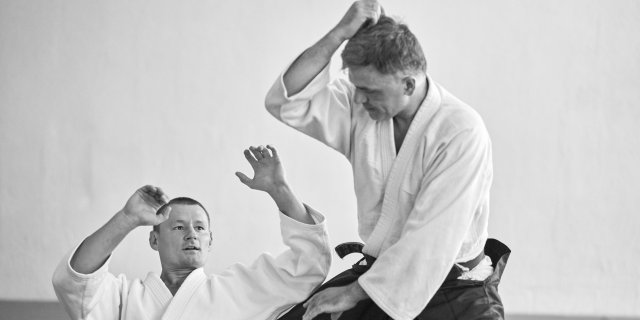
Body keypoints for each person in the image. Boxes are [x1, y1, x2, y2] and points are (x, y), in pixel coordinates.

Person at [265, 1, 510, 319]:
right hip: (379, 277)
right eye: (356, 87)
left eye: (369, 90)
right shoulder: (363, 109)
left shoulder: (461, 131)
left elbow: (430, 239)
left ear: (408, 83)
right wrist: (340, 32)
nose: (359, 98)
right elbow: (288, 101)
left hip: (455, 290)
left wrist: (353, 292)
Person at [52, 145, 332, 320]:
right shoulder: (126, 298)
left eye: (200, 228)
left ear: (210, 242)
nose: (192, 234)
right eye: (178, 226)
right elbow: (76, 280)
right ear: (154, 239)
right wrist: (126, 219)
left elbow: (308, 266)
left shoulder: (240, 288)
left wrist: (280, 190)